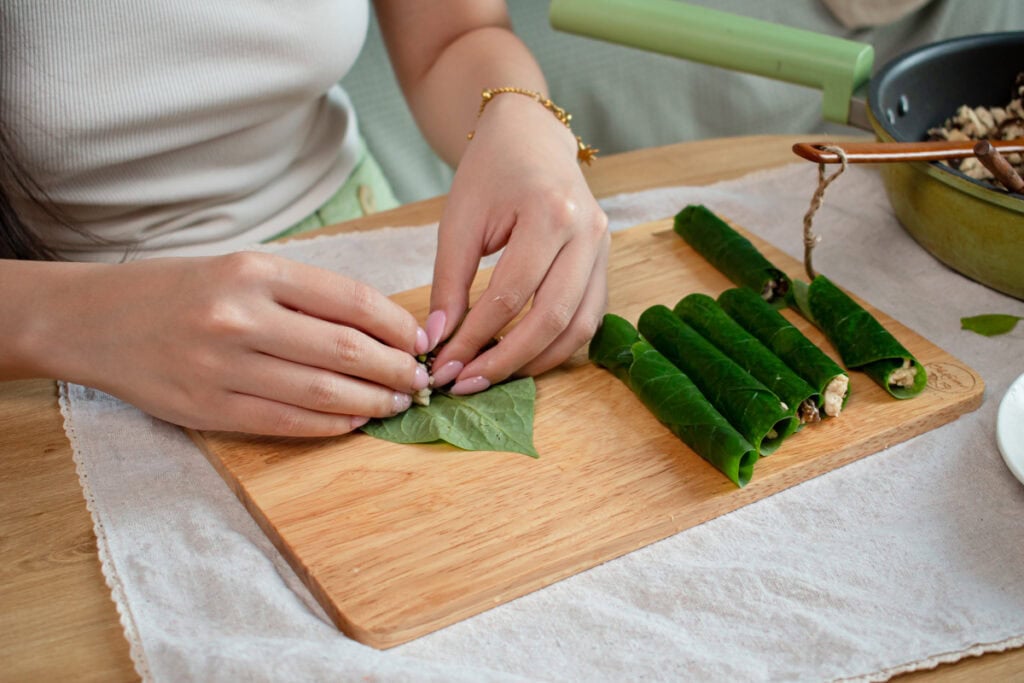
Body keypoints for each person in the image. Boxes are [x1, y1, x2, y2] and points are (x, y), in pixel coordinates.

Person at [0, 1, 610, 436]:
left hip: (360, 232)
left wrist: (520, 115)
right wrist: (75, 321)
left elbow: (457, 32)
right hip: (65, 330)